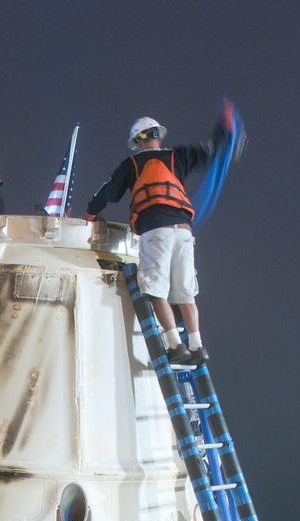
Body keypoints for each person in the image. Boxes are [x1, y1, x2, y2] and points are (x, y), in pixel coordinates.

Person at [84, 103, 237, 365]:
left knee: (156, 291)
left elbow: (107, 191)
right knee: (186, 293)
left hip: (155, 231)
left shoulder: (132, 164)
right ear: (158, 136)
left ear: (138, 141)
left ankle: (174, 345)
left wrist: (89, 213)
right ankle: (197, 346)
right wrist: (225, 132)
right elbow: (211, 149)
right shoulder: (178, 157)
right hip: (183, 232)